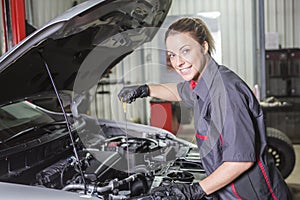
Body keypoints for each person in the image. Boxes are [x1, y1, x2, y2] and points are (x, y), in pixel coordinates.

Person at [118, 17, 292, 199]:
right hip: (230, 191)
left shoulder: (225, 92)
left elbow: (240, 161)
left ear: (204, 46)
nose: (178, 62)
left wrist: (194, 191)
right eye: (172, 55)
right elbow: (178, 91)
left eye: (185, 51)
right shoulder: (202, 82)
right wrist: (145, 89)